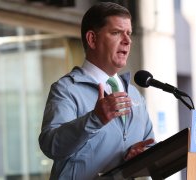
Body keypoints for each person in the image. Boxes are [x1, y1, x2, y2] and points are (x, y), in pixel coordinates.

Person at [39, 2, 155, 179]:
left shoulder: (134, 94)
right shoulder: (67, 89)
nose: (127, 40)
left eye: (129, 33)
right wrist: (95, 119)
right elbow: (51, 145)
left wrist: (140, 156)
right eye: (116, 32)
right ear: (92, 39)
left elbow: (150, 145)